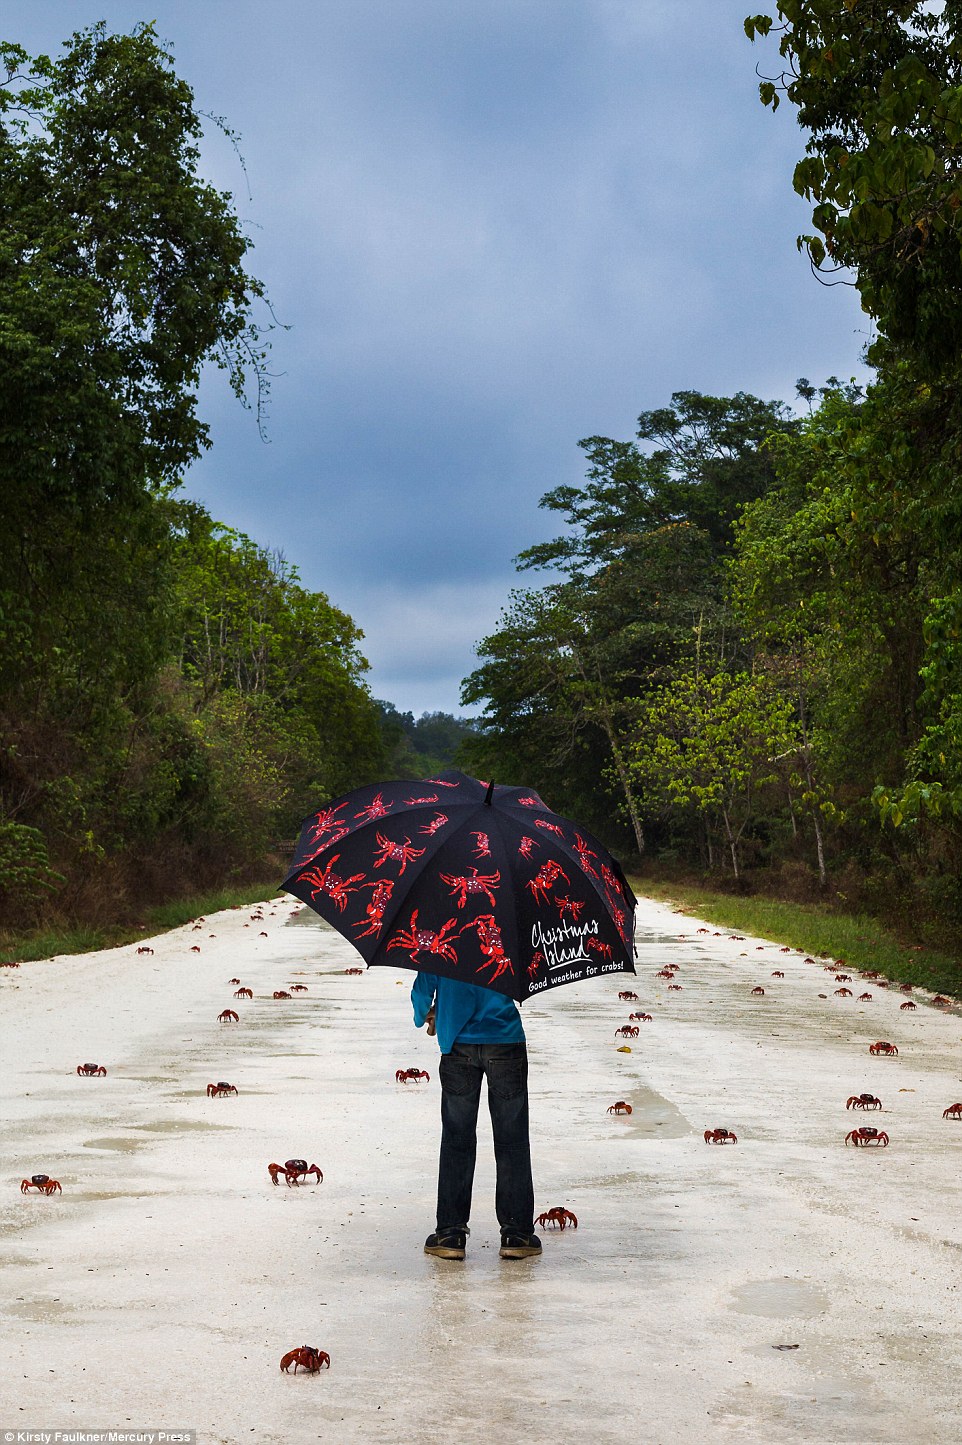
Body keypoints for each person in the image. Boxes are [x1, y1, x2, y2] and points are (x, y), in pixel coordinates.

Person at [412, 971, 541, 1261]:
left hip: (458, 1045)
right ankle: (517, 1234)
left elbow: (422, 990)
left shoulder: (444, 935)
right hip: (506, 1042)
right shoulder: (510, 933)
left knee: (457, 1140)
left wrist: (427, 1014)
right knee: (512, 1142)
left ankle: (450, 1233)